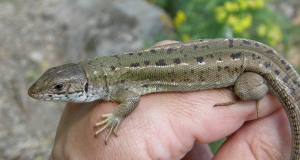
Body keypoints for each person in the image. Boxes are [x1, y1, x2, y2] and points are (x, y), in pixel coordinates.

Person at [49, 41, 291, 160]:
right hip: (250, 53)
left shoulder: (117, 86)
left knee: (248, 91)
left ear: (86, 84)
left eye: (59, 88)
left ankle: (260, 88)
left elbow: (132, 99)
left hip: (250, 67)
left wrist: (116, 116)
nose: (53, 92)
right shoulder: (108, 74)